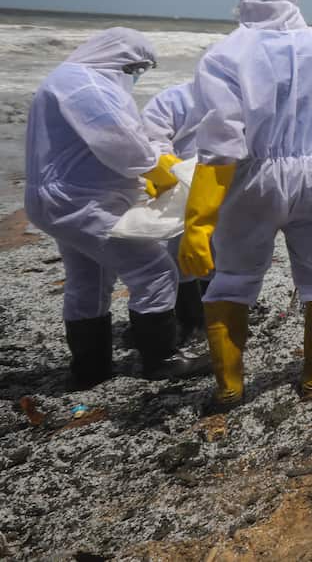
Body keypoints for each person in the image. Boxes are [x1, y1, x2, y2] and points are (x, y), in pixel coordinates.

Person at [179, 0, 312, 409]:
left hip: (254, 179)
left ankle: (230, 387)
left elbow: (221, 146)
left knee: (232, 277)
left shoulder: (227, 53)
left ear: (246, 8)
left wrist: (198, 222)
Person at [24, 28, 208, 387]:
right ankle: (161, 359)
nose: (136, 77)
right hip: (77, 203)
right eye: (136, 69)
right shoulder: (87, 86)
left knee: (89, 280)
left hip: (67, 199)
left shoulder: (70, 79)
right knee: (154, 269)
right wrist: (164, 169)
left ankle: (90, 370)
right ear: (118, 58)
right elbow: (121, 142)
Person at [141, 80, 205, 340]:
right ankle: (188, 318)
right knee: (182, 249)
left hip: (226, 181)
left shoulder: (244, 97)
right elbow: (150, 137)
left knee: (220, 250)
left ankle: (210, 314)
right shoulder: (175, 99)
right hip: (181, 183)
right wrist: (173, 167)